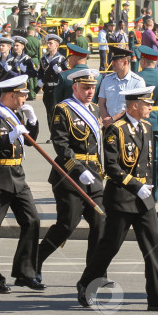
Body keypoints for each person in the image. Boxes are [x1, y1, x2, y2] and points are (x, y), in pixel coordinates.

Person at [77, 86, 158, 312]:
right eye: (146, 104)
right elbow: (111, 166)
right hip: (122, 198)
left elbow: (149, 162)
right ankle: (85, 283)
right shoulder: (115, 130)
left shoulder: (147, 127)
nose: (150, 108)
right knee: (109, 247)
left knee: (152, 248)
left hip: (144, 199)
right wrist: (135, 185)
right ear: (134, 105)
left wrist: (149, 188)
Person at [0, 74, 42, 293]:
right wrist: (9, 137)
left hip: (17, 175)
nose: (25, 98)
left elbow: (30, 141)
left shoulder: (14, 115)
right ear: (11, 95)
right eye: (22, 95)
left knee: (32, 220)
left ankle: (25, 272)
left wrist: (32, 121)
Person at [38, 69, 105, 280]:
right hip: (69, 175)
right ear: (74, 87)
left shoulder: (94, 109)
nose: (90, 92)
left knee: (100, 223)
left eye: (92, 87)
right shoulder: (63, 109)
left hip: (93, 175)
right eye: (85, 88)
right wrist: (78, 169)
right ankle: (35, 260)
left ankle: (95, 273)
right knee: (67, 225)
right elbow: (61, 144)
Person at [136, 45, 158, 200]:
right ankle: (157, 194)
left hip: (140, 121)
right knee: (157, 159)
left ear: (143, 61)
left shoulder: (137, 77)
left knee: (140, 159)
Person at [97, 46, 145, 127]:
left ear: (125, 62)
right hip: (109, 125)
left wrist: (113, 119)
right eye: (113, 60)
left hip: (128, 125)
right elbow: (101, 102)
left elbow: (135, 107)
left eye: (116, 61)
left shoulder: (137, 82)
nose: (113, 63)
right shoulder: (107, 79)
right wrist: (106, 119)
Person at [37, 34, 67, 132]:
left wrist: (60, 71)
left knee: (56, 112)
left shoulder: (61, 59)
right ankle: (52, 133)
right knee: (49, 112)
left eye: (51, 43)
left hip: (57, 89)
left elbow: (67, 74)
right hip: (47, 89)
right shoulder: (43, 59)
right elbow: (40, 72)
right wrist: (39, 80)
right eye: (48, 43)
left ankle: (58, 132)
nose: (48, 45)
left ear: (57, 46)